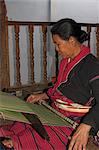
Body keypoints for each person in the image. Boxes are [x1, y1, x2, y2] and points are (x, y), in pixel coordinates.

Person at [0, 18, 99, 150]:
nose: (57, 49)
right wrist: (43, 96)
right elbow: (61, 87)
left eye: (58, 44)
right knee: (25, 121)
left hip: (74, 122)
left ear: (71, 41)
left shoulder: (92, 66)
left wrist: (85, 126)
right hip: (57, 112)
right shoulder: (67, 61)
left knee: (30, 138)